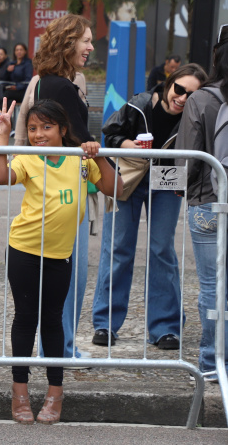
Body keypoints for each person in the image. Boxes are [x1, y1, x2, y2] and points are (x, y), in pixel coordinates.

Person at [0, 99, 120, 425]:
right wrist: (3, 136)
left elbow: (114, 188)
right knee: (25, 319)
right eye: (33, 128)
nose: (39, 134)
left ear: (63, 129)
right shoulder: (29, 159)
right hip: (23, 250)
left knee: (53, 322)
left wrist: (98, 155)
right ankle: (19, 392)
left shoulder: (80, 160)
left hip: (60, 256)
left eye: (46, 127)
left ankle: (54, 393)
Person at [91, 64, 205, 350]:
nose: (182, 98)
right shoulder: (140, 103)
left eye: (191, 95)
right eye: (180, 89)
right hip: (131, 176)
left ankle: (166, 327)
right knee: (118, 249)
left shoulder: (193, 116)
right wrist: (131, 145)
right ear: (169, 83)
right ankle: (105, 324)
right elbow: (111, 134)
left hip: (168, 179)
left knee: (162, 249)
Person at [30, 13, 100, 362]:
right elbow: (81, 138)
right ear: (68, 42)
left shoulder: (47, 81)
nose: (90, 47)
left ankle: (59, 347)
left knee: (65, 276)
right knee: (71, 277)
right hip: (67, 190)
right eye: (85, 40)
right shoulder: (60, 86)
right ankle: (61, 350)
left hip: (57, 189)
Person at [176, 38, 228, 381]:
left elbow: (187, 160)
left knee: (212, 285)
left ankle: (211, 362)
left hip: (208, 203)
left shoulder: (202, 99)